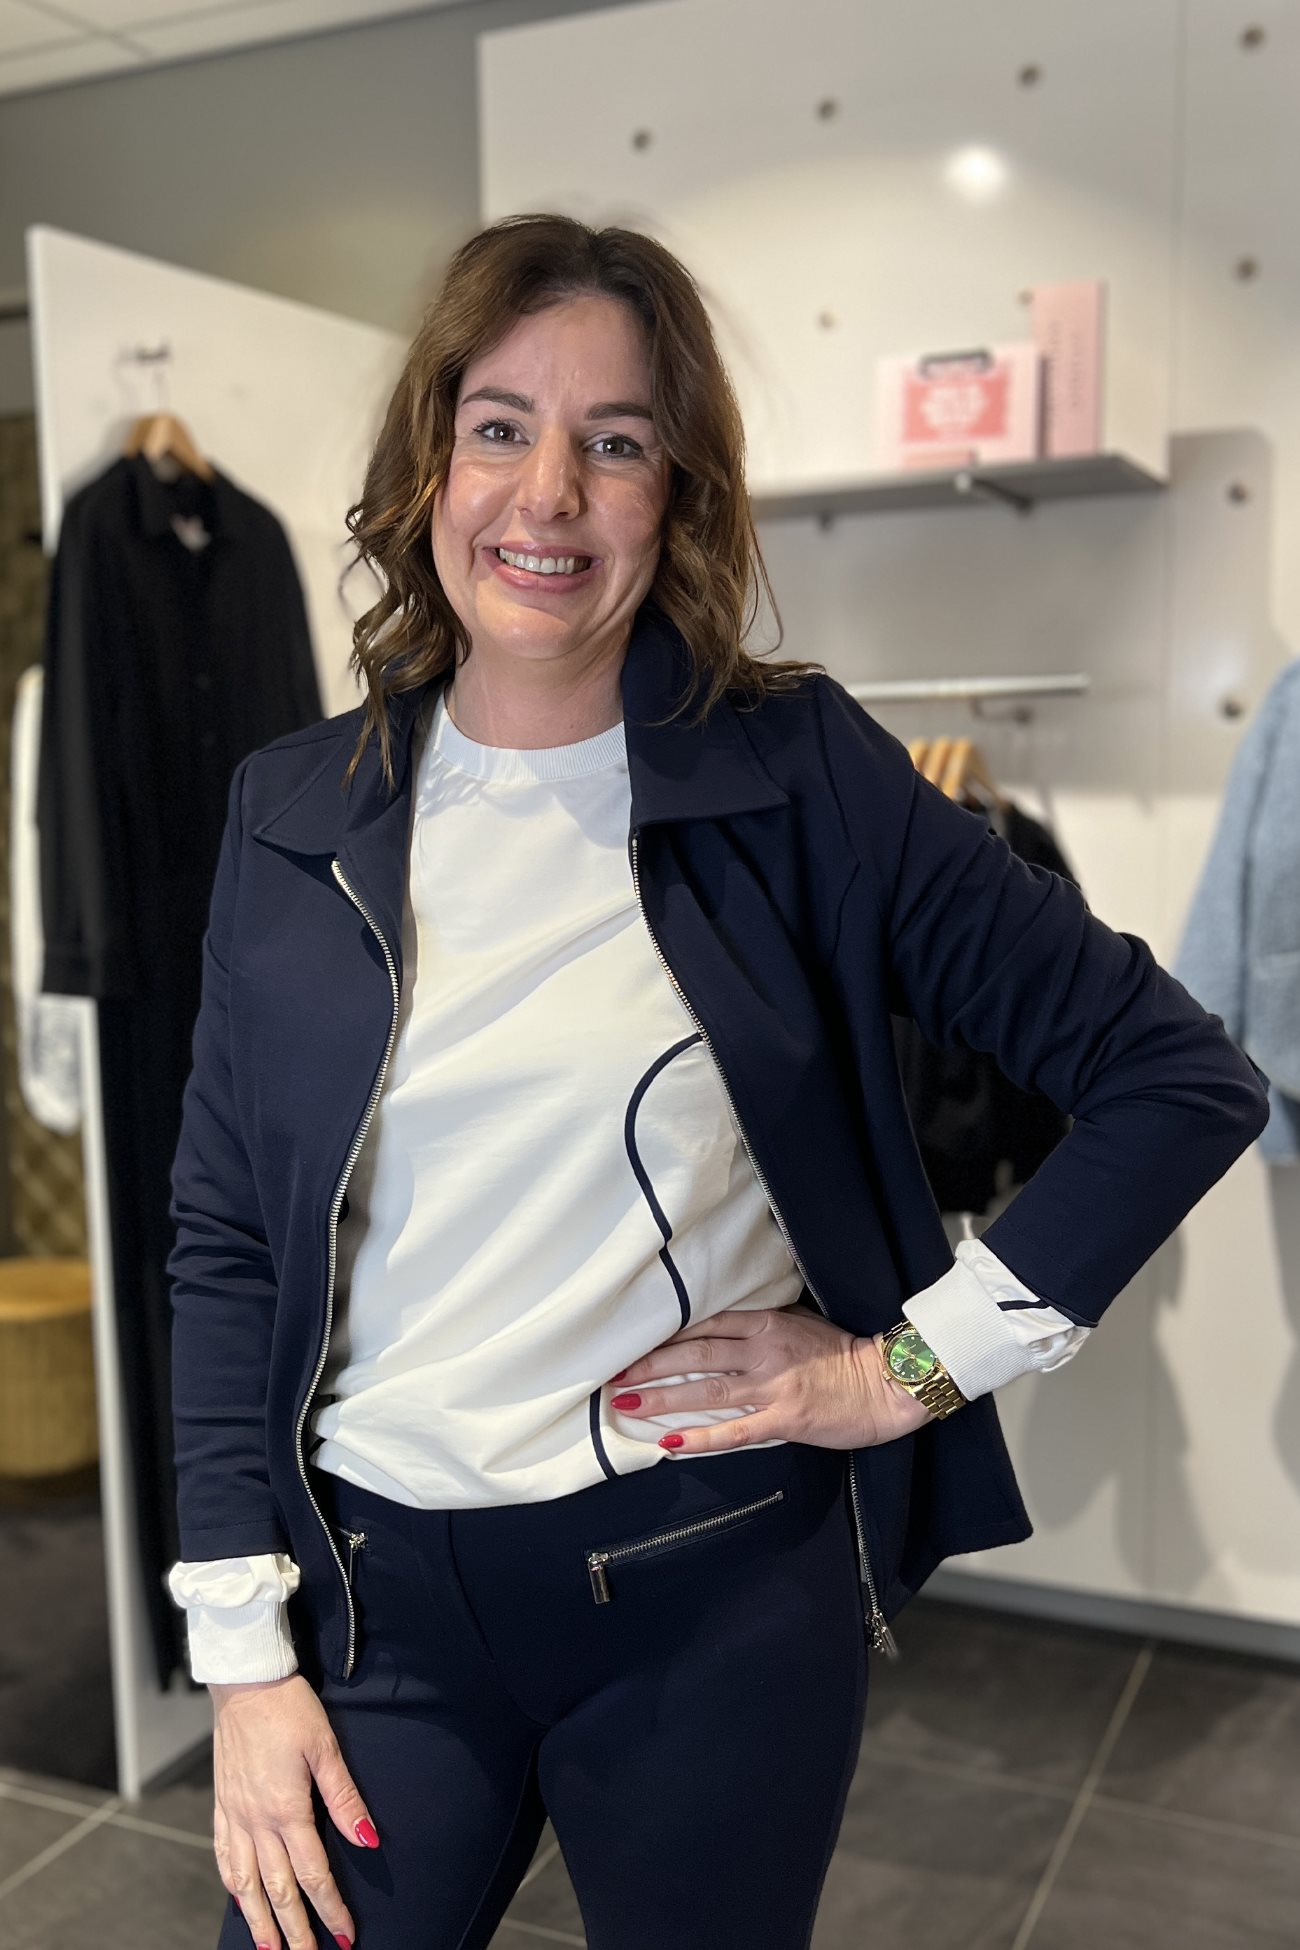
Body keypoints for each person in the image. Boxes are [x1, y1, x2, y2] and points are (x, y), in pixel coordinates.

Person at [164, 214, 1270, 1950]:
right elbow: (227, 1236)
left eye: (615, 442)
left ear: (673, 494)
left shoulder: (797, 774)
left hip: (711, 1589)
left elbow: (1176, 1077)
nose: (548, 495)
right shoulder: (291, 809)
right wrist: (241, 1652)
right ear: (429, 462)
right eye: (500, 426)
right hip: (375, 1603)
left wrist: (904, 1371)